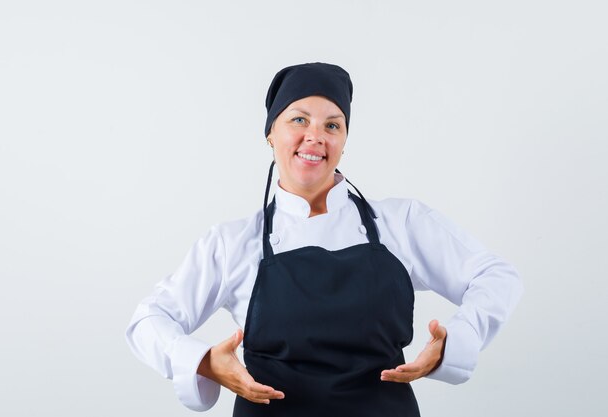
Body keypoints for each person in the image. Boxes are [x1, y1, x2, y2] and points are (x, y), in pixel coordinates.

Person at [125, 62, 523, 416]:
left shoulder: (402, 223)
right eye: (299, 120)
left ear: (344, 141)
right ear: (270, 134)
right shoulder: (232, 243)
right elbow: (147, 321)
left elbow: (496, 276)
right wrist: (204, 362)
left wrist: (456, 340)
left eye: (332, 125)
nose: (315, 137)